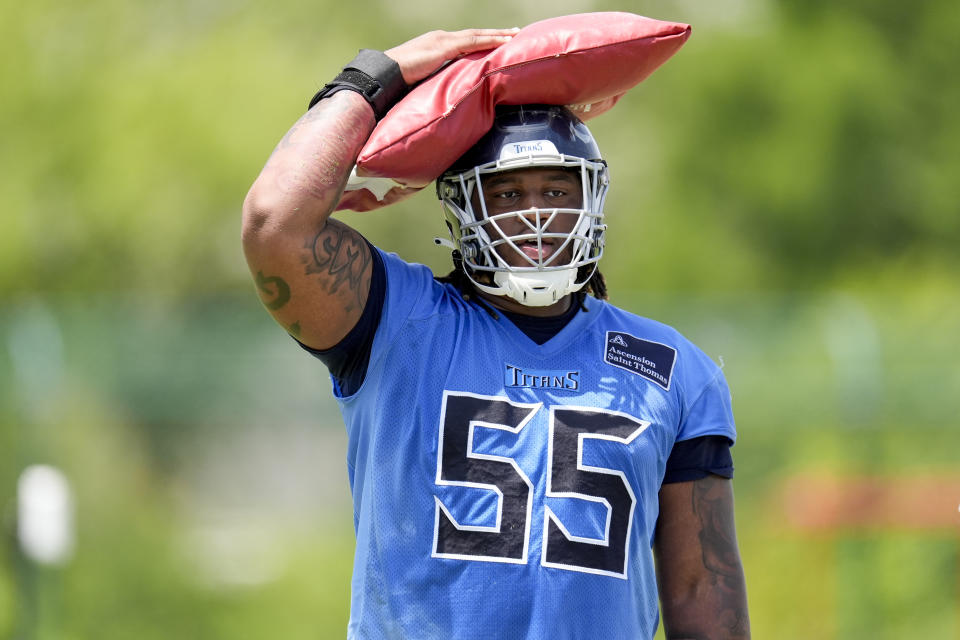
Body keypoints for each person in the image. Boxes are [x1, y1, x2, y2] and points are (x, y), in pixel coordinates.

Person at [242, 28, 750, 640]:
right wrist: (379, 75)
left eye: (556, 190)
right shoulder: (396, 323)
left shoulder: (673, 370)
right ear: (461, 209)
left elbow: (703, 588)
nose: (534, 215)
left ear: (592, 197)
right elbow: (275, 223)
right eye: (506, 192)